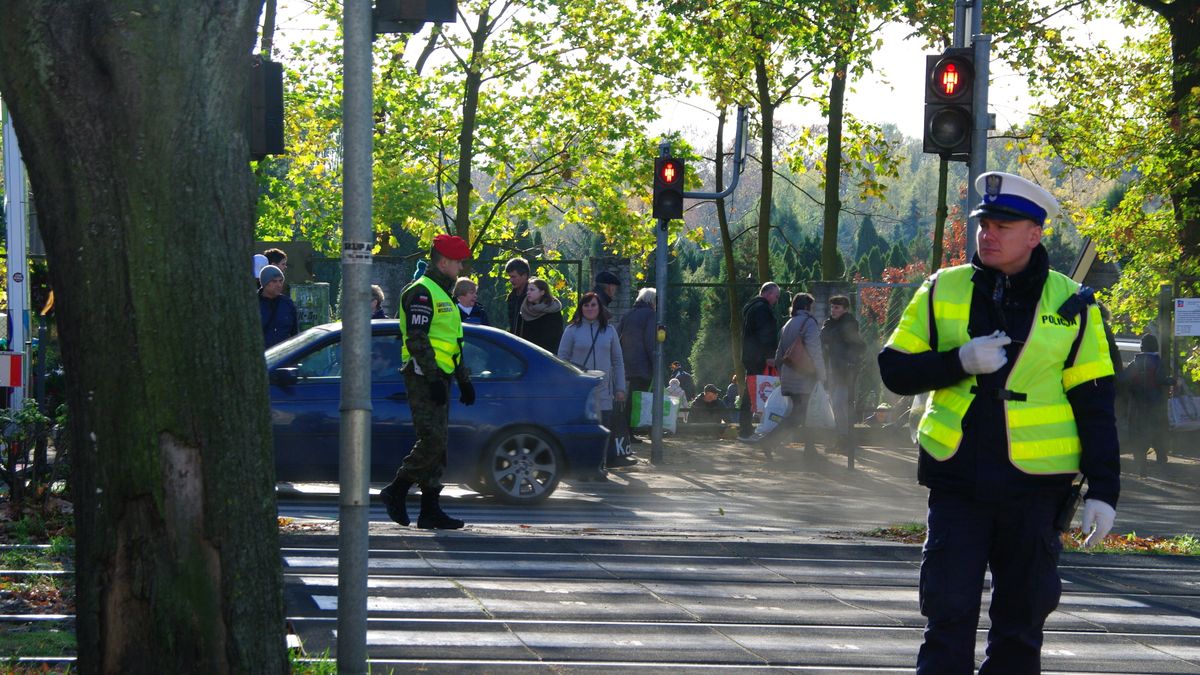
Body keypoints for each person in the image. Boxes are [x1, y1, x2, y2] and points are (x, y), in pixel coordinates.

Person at [878, 171, 1120, 673]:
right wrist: (957, 362)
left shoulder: (1073, 303)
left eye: (1002, 225)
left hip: (1036, 491)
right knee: (947, 617)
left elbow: (1095, 403)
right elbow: (894, 370)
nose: (987, 233)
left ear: (1035, 233)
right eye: (984, 223)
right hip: (958, 482)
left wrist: (1104, 490)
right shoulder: (941, 287)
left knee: (1020, 627)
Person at [378, 234, 476, 530]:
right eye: (457, 261)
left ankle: (430, 510)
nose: (460, 267)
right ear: (443, 261)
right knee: (432, 440)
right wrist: (433, 378)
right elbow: (417, 339)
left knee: (439, 444)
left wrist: (463, 379)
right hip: (423, 376)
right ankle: (396, 489)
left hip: (439, 376)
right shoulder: (422, 292)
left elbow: (451, 342)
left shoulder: (442, 293)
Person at [559, 292, 631, 467]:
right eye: (586, 305)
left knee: (603, 431)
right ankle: (582, 465)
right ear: (581, 308)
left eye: (593, 305)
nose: (590, 308)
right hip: (580, 391)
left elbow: (618, 361)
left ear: (599, 308)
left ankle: (600, 465)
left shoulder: (610, 331)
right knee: (582, 431)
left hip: (604, 391)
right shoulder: (571, 330)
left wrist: (620, 388)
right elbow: (562, 359)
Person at [752, 292, 825, 452]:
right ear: (807, 307)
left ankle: (809, 448)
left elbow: (779, 354)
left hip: (789, 375)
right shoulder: (809, 324)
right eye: (811, 306)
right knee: (798, 415)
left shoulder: (788, 324)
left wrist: (782, 372)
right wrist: (821, 373)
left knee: (803, 412)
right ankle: (769, 441)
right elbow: (815, 351)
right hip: (804, 376)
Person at [821, 295, 865, 453]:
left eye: (837, 307)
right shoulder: (830, 323)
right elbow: (823, 337)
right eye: (832, 307)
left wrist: (851, 365)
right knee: (836, 406)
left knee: (840, 405)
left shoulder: (849, 324)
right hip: (833, 369)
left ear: (845, 309)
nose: (833, 310)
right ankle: (843, 440)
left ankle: (845, 440)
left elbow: (859, 346)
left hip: (844, 372)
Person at [738, 282, 781, 439]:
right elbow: (766, 334)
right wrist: (770, 355)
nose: (776, 300)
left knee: (750, 391)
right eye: (776, 296)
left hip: (751, 356)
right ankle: (746, 430)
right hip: (759, 357)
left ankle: (745, 427)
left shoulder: (752, 308)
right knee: (753, 393)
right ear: (768, 294)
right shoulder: (763, 309)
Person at [1125, 333, 1170, 472]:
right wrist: (1173, 380)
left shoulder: (1135, 362)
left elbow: (1124, 379)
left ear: (1141, 346)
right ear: (1155, 346)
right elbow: (1161, 379)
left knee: (1138, 433)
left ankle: (1140, 461)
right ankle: (1161, 460)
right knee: (1158, 432)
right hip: (1155, 404)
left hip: (1137, 405)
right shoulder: (1157, 361)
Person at [619, 288, 657, 440]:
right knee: (637, 399)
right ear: (652, 301)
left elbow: (618, 334)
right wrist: (656, 363)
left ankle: (628, 430)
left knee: (632, 397)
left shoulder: (628, 314)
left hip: (628, 360)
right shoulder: (650, 315)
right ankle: (629, 430)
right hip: (643, 363)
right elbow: (650, 340)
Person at [517, 278, 565, 352]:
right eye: (528, 290)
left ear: (542, 292)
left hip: (545, 355)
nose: (528, 292)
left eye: (532, 290)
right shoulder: (524, 309)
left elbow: (555, 339)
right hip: (525, 352)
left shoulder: (553, 311)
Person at [258, 264, 298, 348]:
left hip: (284, 356)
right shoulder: (253, 305)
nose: (279, 285)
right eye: (274, 281)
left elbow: (295, 334)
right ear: (265, 283)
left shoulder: (288, 304)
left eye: (280, 281)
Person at [504, 257, 531, 333]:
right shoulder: (511, 297)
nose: (511, 280)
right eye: (509, 276)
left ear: (524, 275)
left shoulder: (533, 297)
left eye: (514, 276)